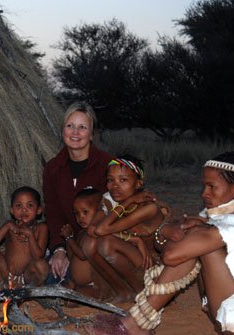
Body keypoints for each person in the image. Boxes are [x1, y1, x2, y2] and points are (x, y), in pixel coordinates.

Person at [86, 152, 234, 335]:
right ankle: (137, 323)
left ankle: (135, 325)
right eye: (204, 185)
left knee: (197, 248)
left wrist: (171, 230)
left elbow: (170, 255)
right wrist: (176, 231)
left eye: (211, 186)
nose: (204, 193)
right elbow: (165, 244)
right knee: (197, 242)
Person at [42, 101, 114, 283]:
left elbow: (115, 208)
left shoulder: (108, 165)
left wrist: (77, 248)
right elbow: (53, 212)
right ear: (63, 130)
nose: (75, 132)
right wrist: (60, 249)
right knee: (49, 278)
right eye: (70, 126)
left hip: (98, 239)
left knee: (78, 278)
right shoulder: (53, 168)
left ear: (91, 134)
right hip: (66, 239)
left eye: (82, 127)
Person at [83, 156, 162, 298]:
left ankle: (142, 293)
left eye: (123, 180)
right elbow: (92, 229)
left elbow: (101, 230)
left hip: (150, 264)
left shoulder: (148, 207)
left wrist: (127, 203)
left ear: (138, 184)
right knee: (90, 243)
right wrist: (135, 240)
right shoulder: (110, 201)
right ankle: (122, 291)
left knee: (106, 242)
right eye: (110, 180)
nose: (115, 185)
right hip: (128, 257)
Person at [0, 186, 49, 288]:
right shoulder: (10, 226)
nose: (24, 210)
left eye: (30, 205)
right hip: (8, 274)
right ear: (12, 210)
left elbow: (38, 256)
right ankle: (3, 285)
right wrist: (7, 226)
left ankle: (29, 290)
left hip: (27, 276)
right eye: (19, 206)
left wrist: (30, 235)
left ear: (39, 210)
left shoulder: (41, 228)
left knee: (42, 266)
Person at [60, 188, 112, 300]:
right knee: (61, 289)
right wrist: (69, 240)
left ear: (100, 211)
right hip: (78, 282)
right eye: (76, 213)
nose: (80, 217)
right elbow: (71, 256)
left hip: (94, 284)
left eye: (85, 212)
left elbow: (83, 255)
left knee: (74, 298)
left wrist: (69, 238)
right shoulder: (82, 233)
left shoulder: (94, 234)